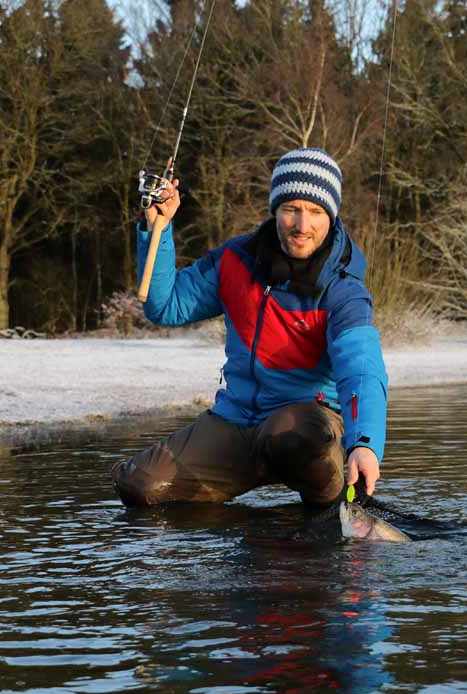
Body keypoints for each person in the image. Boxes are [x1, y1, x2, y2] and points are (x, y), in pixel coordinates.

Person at [111, 147, 388, 509]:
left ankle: (330, 504)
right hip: (236, 418)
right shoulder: (235, 260)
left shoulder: (344, 289)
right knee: (141, 486)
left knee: (288, 434)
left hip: (305, 425)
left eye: (316, 212)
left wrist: (364, 444)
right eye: (291, 209)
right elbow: (166, 306)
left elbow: (362, 370)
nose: (302, 225)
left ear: (331, 216)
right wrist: (157, 227)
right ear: (276, 210)